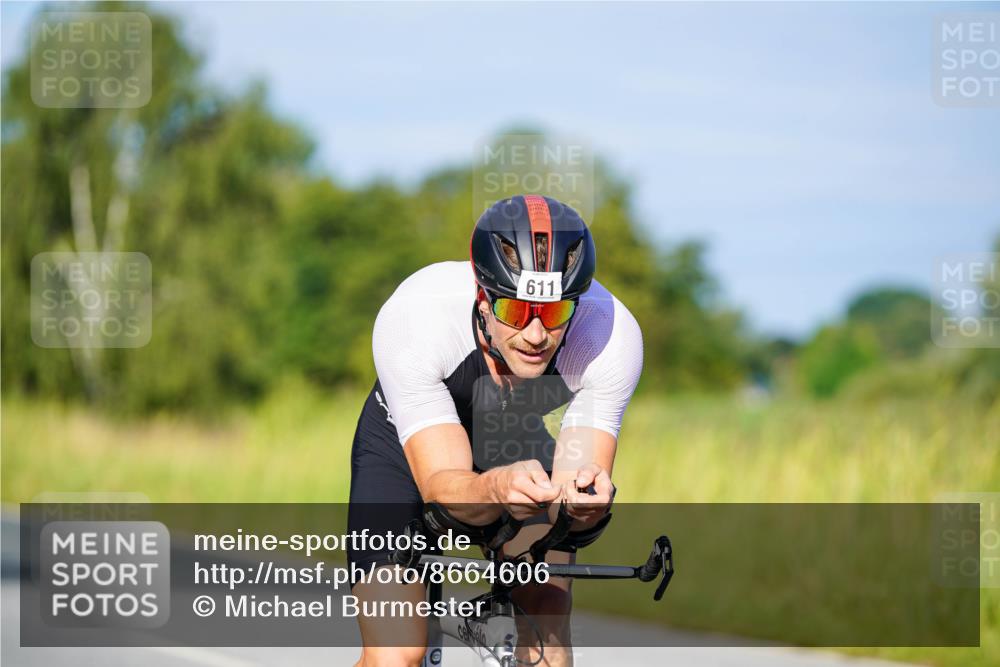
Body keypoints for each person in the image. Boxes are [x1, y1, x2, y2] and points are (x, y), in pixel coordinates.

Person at [348, 194, 643, 667]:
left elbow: (575, 491)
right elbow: (442, 488)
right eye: (515, 311)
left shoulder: (609, 335)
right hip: (405, 453)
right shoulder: (416, 317)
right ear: (482, 298)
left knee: (546, 624)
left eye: (552, 314)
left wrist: (585, 503)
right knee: (395, 652)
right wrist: (498, 487)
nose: (534, 335)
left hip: (516, 442)